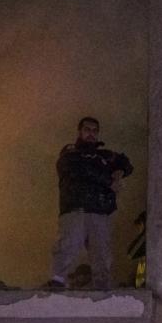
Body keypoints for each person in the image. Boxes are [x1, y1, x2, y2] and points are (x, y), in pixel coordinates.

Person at [48, 116, 134, 289]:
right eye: (87, 130)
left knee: (102, 253)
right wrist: (109, 181)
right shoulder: (70, 153)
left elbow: (126, 162)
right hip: (75, 208)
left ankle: (102, 290)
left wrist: (120, 170)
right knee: (68, 245)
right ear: (80, 132)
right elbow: (80, 170)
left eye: (95, 131)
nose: (91, 134)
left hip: (100, 211)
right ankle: (56, 283)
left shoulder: (103, 155)